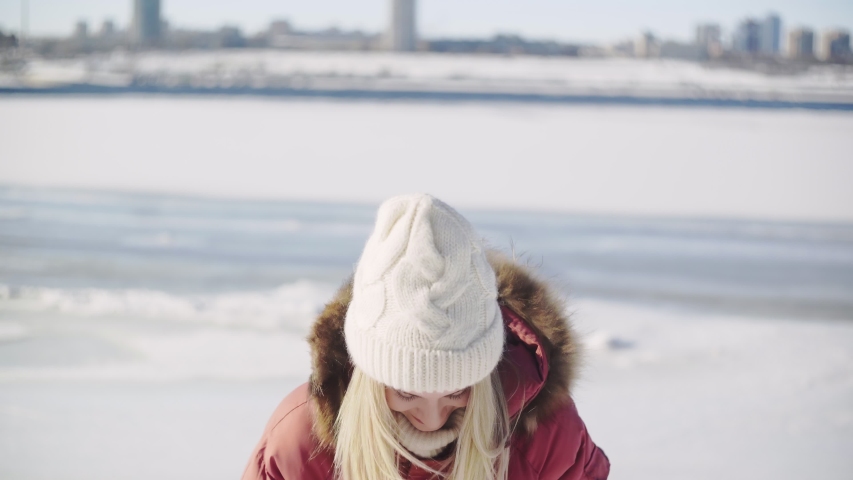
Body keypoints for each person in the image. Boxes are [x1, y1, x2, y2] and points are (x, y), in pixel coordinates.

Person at [242, 194, 610, 480]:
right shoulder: (302, 443)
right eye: (406, 392)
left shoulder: (546, 435)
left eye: (456, 391)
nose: (431, 419)